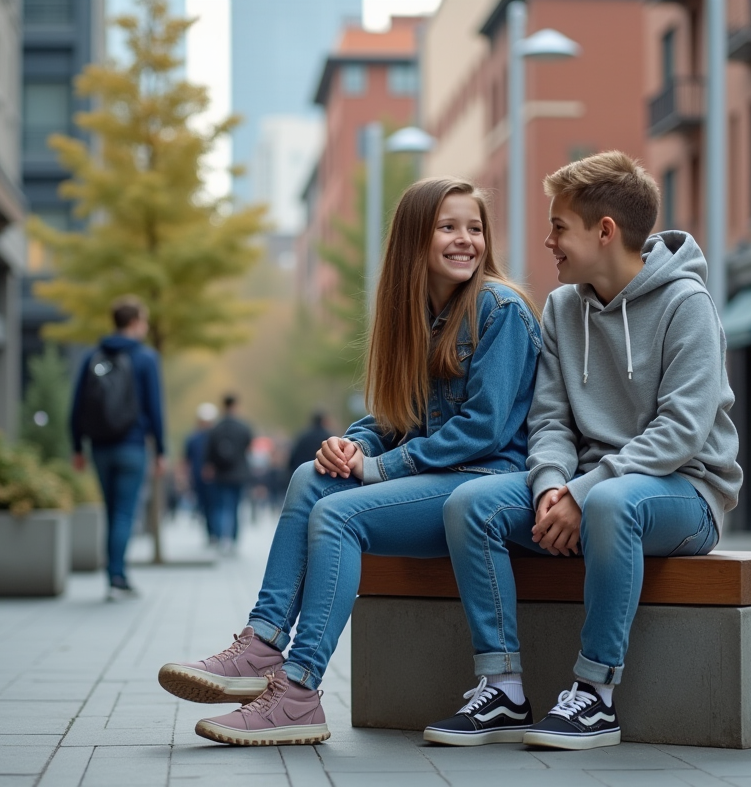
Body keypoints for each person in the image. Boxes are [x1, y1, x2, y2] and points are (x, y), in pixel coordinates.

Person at [157, 177, 542, 746]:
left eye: (475, 228)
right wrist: (353, 446)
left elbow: (481, 429)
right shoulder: (416, 317)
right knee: (310, 479)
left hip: (487, 484)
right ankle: (262, 644)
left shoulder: (499, 309)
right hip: (436, 480)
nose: (466, 240)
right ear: (414, 239)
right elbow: (395, 416)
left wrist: (380, 469)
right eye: (448, 227)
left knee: (340, 516)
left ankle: (298, 691)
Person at [426, 152, 742, 750]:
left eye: (559, 227)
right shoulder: (564, 308)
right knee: (470, 504)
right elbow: (549, 419)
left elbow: (681, 431)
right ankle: (503, 690)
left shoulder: (686, 304)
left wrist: (583, 493)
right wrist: (551, 485)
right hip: (587, 492)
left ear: (605, 231)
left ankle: (595, 696)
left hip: (687, 494)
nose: (549, 241)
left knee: (613, 504)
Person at [70, 295, 167, 600]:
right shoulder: (146, 357)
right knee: (125, 513)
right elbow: (154, 407)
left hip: (99, 447)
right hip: (132, 446)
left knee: (112, 512)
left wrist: (77, 447)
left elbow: (76, 406)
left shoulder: (92, 356)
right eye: (145, 321)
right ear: (135, 322)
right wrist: (161, 449)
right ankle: (117, 577)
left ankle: (113, 575)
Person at [203, 394, 254, 553]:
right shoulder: (243, 427)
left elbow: (209, 451)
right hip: (239, 473)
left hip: (221, 473)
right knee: (235, 506)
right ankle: (232, 539)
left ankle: (220, 536)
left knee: (221, 506)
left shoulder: (216, 428)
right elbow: (248, 447)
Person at [183, 402, 218, 543]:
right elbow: (187, 459)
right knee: (208, 505)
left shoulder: (196, 438)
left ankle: (213, 532)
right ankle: (213, 533)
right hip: (201, 478)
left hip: (208, 477)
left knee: (211, 506)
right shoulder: (195, 438)